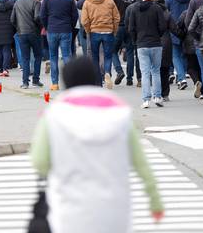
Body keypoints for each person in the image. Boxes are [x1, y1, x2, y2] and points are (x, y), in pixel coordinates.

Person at [30, 56, 163, 233]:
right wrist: (155, 200)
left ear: (66, 81)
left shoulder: (54, 114)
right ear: (95, 78)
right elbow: (140, 163)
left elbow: (40, 161)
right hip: (114, 210)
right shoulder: (120, 113)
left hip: (70, 209)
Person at [128, 0, 167, 108]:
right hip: (155, 43)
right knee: (155, 71)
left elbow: (131, 28)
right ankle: (157, 96)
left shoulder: (134, 9)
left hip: (141, 44)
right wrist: (158, 36)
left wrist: (136, 41)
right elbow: (162, 26)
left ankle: (146, 100)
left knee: (145, 73)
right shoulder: (157, 8)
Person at [81, 0, 121, 88]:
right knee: (108, 56)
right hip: (108, 31)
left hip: (94, 31)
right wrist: (114, 30)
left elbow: (84, 20)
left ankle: (98, 83)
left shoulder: (87, 2)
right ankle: (107, 72)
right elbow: (116, 17)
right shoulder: (109, 1)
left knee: (95, 57)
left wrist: (88, 30)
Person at [40, 0, 79, 91]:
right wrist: (70, 26)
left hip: (52, 29)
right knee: (67, 55)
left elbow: (42, 15)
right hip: (66, 29)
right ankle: (70, 82)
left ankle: (55, 83)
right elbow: (75, 15)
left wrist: (47, 26)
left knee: (53, 57)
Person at [11, 0, 44, 89]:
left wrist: (18, 28)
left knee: (25, 58)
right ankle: (35, 80)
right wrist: (40, 27)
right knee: (38, 56)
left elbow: (12, 19)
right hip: (34, 33)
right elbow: (37, 17)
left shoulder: (17, 3)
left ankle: (25, 82)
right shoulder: (36, 3)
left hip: (21, 33)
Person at [165, 0, 193, 90]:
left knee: (175, 55)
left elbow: (166, 15)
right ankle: (182, 75)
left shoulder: (169, 0)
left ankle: (181, 78)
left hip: (174, 30)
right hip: (187, 30)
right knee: (184, 54)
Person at [111, 0, 137, 86]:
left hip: (119, 26)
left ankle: (119, 71)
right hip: (131, 27)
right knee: (130, 51)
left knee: (113, 50)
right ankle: (130, 78)